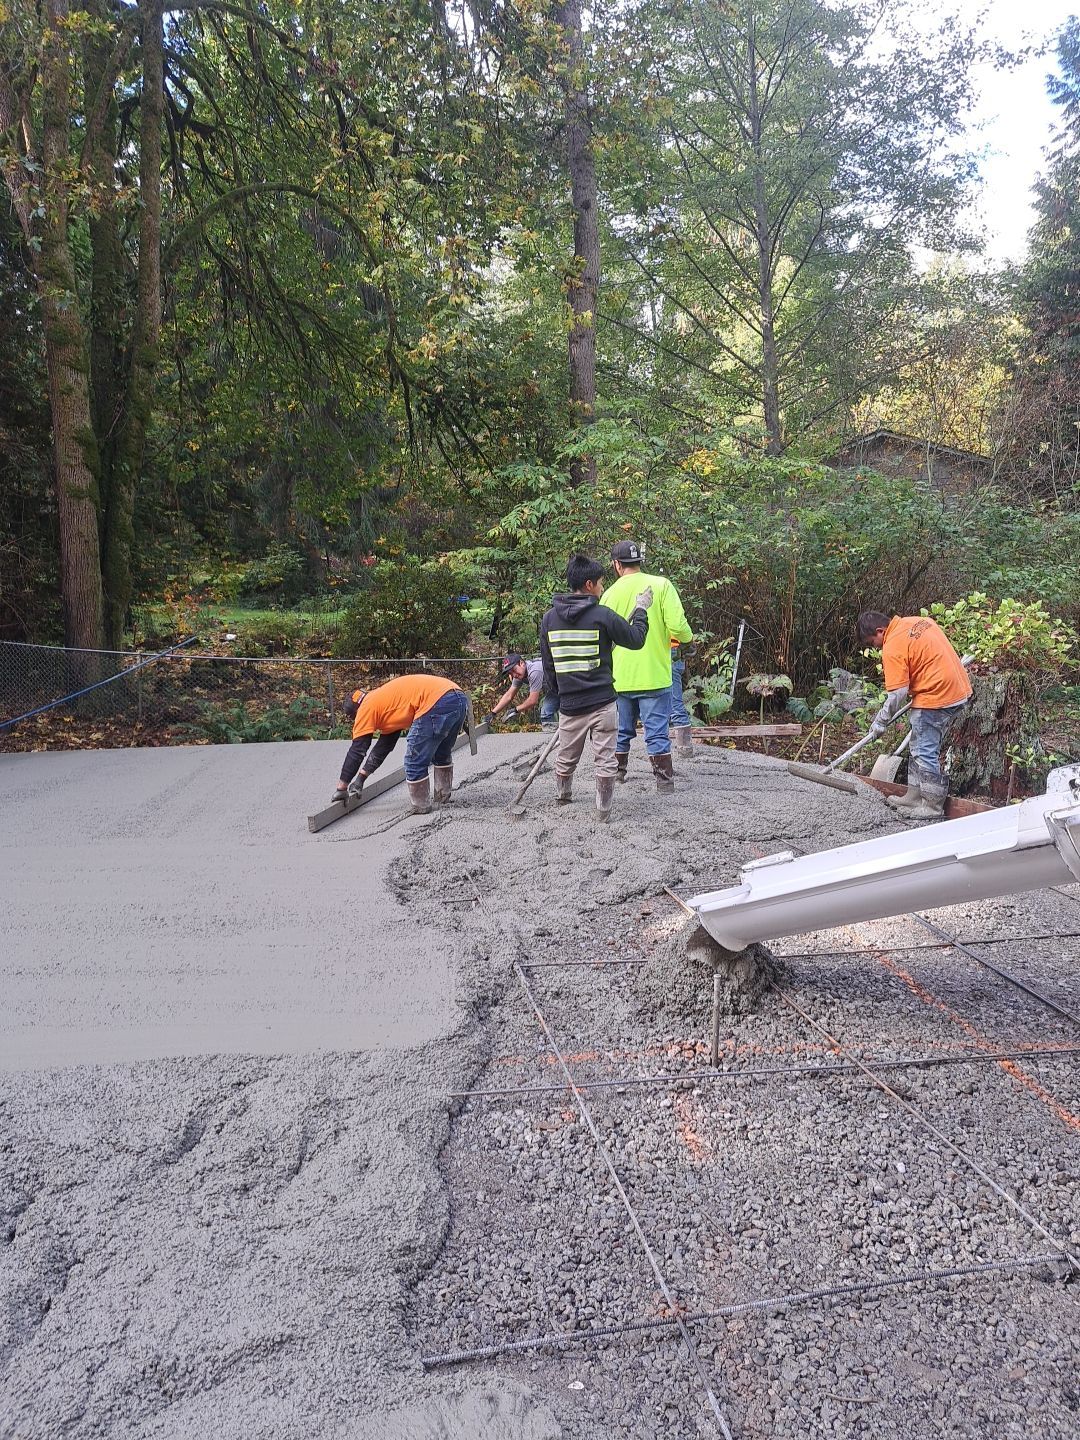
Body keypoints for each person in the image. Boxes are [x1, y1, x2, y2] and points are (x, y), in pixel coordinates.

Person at [539, 553, 651, 821]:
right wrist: (641, 609)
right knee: (605, 758)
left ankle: (563, 797)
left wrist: (559, 697)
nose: (602, 588)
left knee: (566, 756)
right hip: (602, 703)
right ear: (589, 585)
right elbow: (636, 640)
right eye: (600, 583)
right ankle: (603, 811)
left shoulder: (549, 620)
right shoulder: (602, 616)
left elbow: (549, 666)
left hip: (570, 706)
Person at [858, 610, 972, 820]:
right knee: (917, 745)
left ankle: (932, 806)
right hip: (957, 689)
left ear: (880, 631)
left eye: (874, 643)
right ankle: (914, 796)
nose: (877, 648)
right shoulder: (919, 622)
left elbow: (898, 693)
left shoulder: (892, 646)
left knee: (924, 750)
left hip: (937, 695)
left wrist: (881, 721)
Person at [599, 539, 692, 792]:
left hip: (619, 678)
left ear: (616, 565)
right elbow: (678, 626)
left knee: (621, 732)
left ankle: (618, 775)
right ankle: (664, 783)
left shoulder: (608, 594)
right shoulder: (661, 585)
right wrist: (687, 639)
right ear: (640, 560)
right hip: (654, 676)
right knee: (657, 733)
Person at [331, 672, 469, 815]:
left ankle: (421, 806)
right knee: (441, 753)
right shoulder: (382, 701)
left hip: (435, 702)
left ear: (355, 713)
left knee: (413, 761)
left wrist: (342, 788)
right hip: (457, 697)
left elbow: (357, 751)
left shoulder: (365, 708)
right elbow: (383, 748)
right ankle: (443, 797)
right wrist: (360, 779)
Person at [486, 653, 559, 730]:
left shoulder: (534, 671)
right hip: (556, 688)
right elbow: (509, 695)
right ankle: (554, 738)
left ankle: (564, 737)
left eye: (514, 670)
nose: (514, 675)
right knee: (546, 712)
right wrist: (493, 713)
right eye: (511, 673)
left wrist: (515, 710)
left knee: (556, 712)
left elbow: (532, 701)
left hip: (568, 684)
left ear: (521, 663)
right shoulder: (519, 675)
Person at [669, 640, 695, 755]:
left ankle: (684, 747)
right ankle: (684, 746)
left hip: (667, 650)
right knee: (671, 701)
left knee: (673, 703)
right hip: (674, 650)